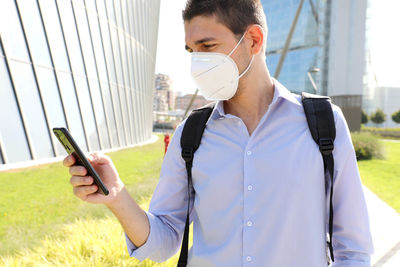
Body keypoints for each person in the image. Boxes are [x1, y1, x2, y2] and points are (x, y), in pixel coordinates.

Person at [63, 0, 374, 266]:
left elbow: (354, 248)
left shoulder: (322, 125)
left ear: (253, 40)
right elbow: (164, 241)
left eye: (207, 46)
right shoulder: (192, 135)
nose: (197, 62)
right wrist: (116, 197)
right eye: (191, 50)